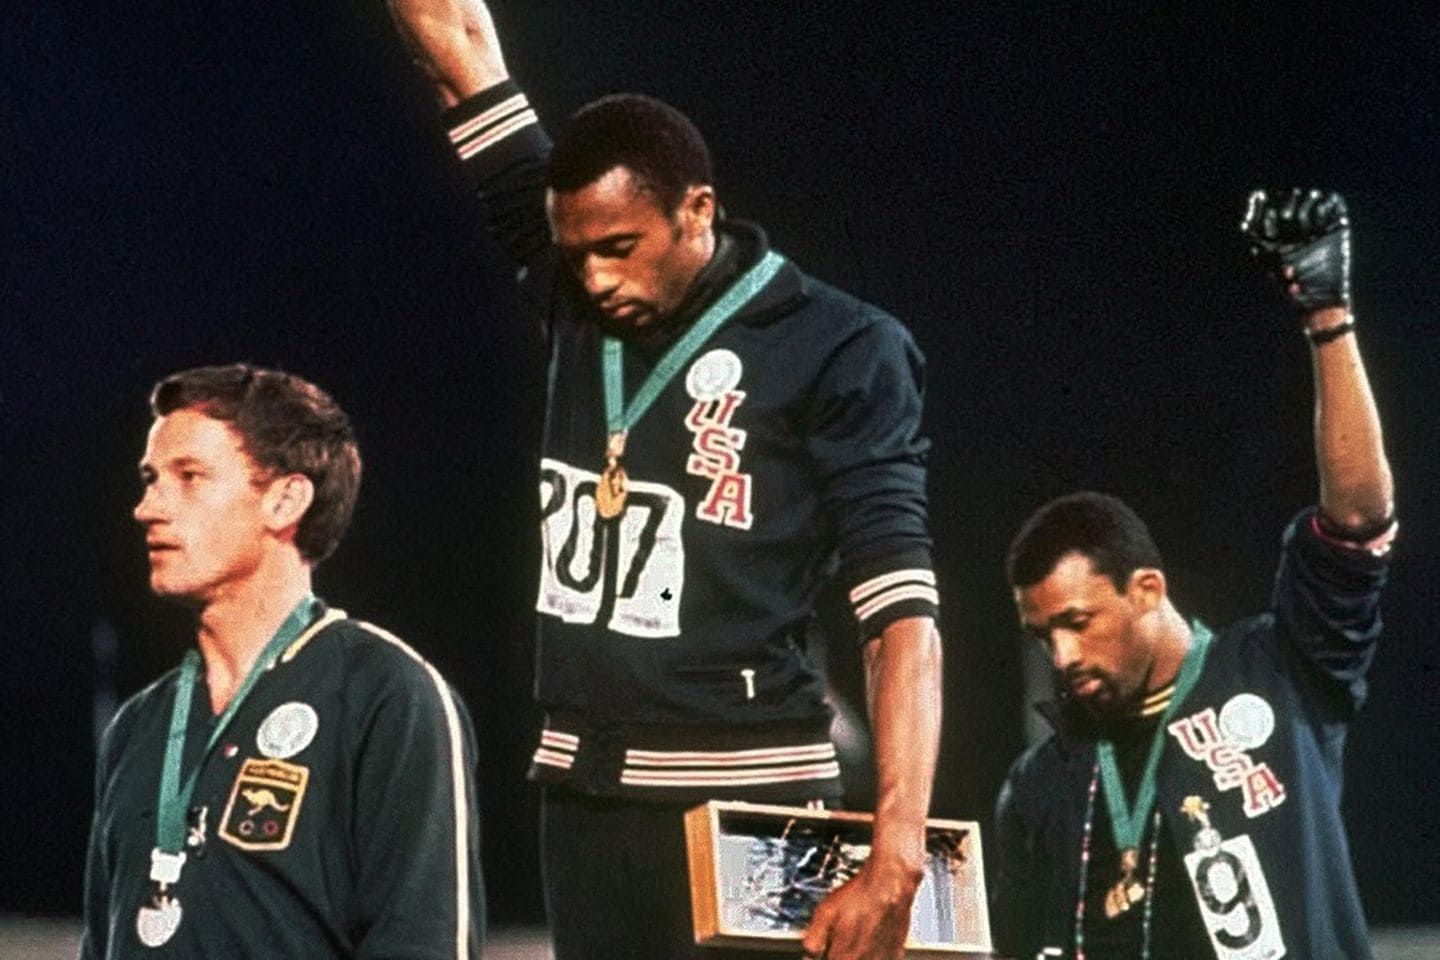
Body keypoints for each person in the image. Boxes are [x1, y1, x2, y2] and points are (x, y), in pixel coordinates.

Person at [385, 3, 944, 958]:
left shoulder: (841, 346)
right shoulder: (570, 277)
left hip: (750, 789)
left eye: (619, 249)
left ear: (698, 210)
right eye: (576, 253)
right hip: (584, 794)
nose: (593, 278)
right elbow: (459, 50)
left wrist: (897, 845)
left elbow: (898, 612)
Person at [991, 189, 1394, 959]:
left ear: (1148, 589)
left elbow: (1357, 521)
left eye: (1078, 623)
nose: (1063, 658)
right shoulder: (1041, 784)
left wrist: (1327, 319)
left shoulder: (1281, 671)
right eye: (1044, 636)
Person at [81, 364, 485, 959]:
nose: (147, 506)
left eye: (188, 477)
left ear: (286, 499)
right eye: (149, 479)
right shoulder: (137, 727)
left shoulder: (388, 695)